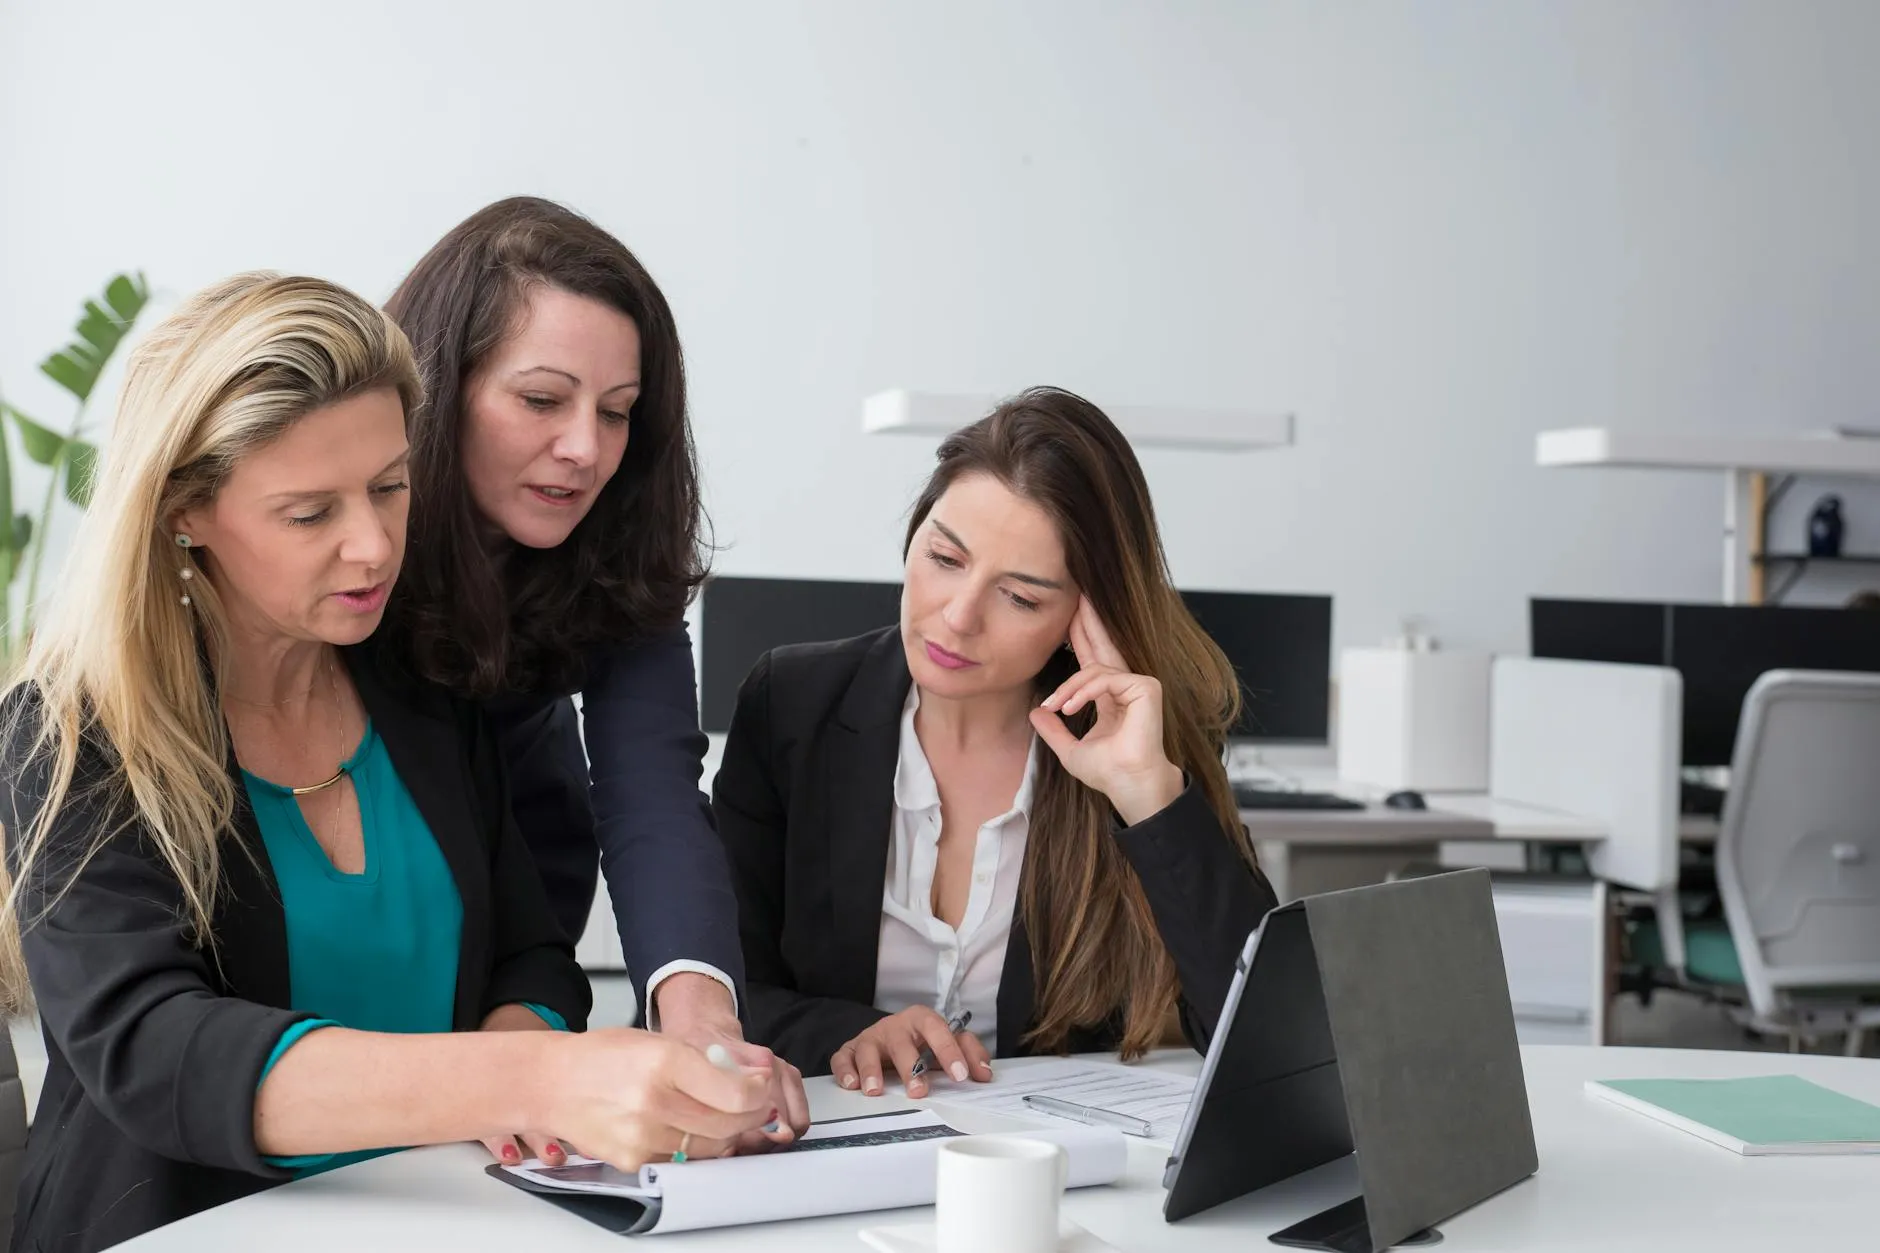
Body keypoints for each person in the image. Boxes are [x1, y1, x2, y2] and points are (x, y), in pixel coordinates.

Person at [0, 274, 772, 1253]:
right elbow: (151, 1049)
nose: (371, 545)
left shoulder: (427, 694)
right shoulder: (69, 731)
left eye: (389, 486)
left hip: (446, 1220)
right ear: (184, 513)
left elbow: (530, 953)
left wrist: (521, 1038)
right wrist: (529, 1078)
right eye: (309, 512)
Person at [713, 387, 1279, 1097]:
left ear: (1086, 613)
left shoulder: (1137, 741)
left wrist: (1149, 795)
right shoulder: (792, 703)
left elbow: (1265, 1036)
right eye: (945, 558)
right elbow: (716, 988)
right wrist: (846, 1033)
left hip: (1049, 1167)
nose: (957, 616)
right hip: (835, 1134)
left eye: (1020, 597)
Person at [381, 200, 803, 1137]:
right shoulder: (355, 561)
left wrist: (700, 1016)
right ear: (438, 388)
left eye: (617, 413)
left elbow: (651, 792)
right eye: (541, 400)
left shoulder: (610, 553)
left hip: (523, 984)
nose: (585, 449)